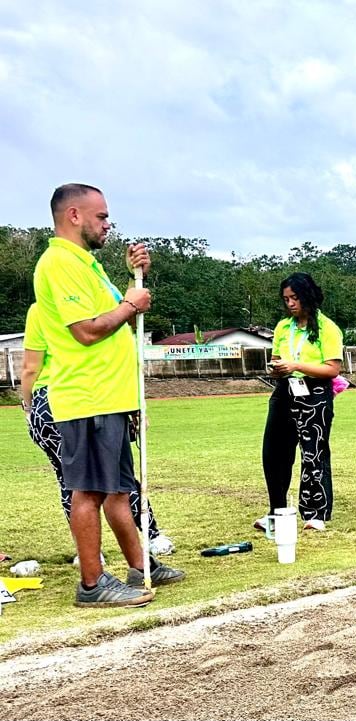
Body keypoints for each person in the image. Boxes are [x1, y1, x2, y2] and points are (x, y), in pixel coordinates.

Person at [32, 183, 184, 608]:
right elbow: (88, 330)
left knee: (119, 490)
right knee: (90, 491)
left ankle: (141, 567)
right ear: (74, 216)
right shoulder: (58, 263)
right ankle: (92, 583)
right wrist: (132, 305)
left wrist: (134, 283)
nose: (107, 224)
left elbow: (112, 316)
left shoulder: (85, 264)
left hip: (112, 397)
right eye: (101, 217)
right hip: (88, 397)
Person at [21, 303, 175, 557]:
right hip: (93, 395)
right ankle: (152, 536)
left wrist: (28, 408)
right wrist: (135, 405)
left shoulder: (40, 309)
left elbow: (30, 367)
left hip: (49, 401)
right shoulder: (98, 305)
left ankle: (90, 554)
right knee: (117, 477)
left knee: (70, 482)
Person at [259, 272, 343, 533]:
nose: (290, 304)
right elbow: (276, 357)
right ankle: (277, 511)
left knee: (313, 451)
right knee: (274, 453)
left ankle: (315, 512)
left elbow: (332, 369)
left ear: (307, 296)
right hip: (285, 390)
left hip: (315, 392)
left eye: (295, 298)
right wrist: (277, 369)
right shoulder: (283, 327)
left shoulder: (327, 328)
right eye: (286, 299)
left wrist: (296, 364)